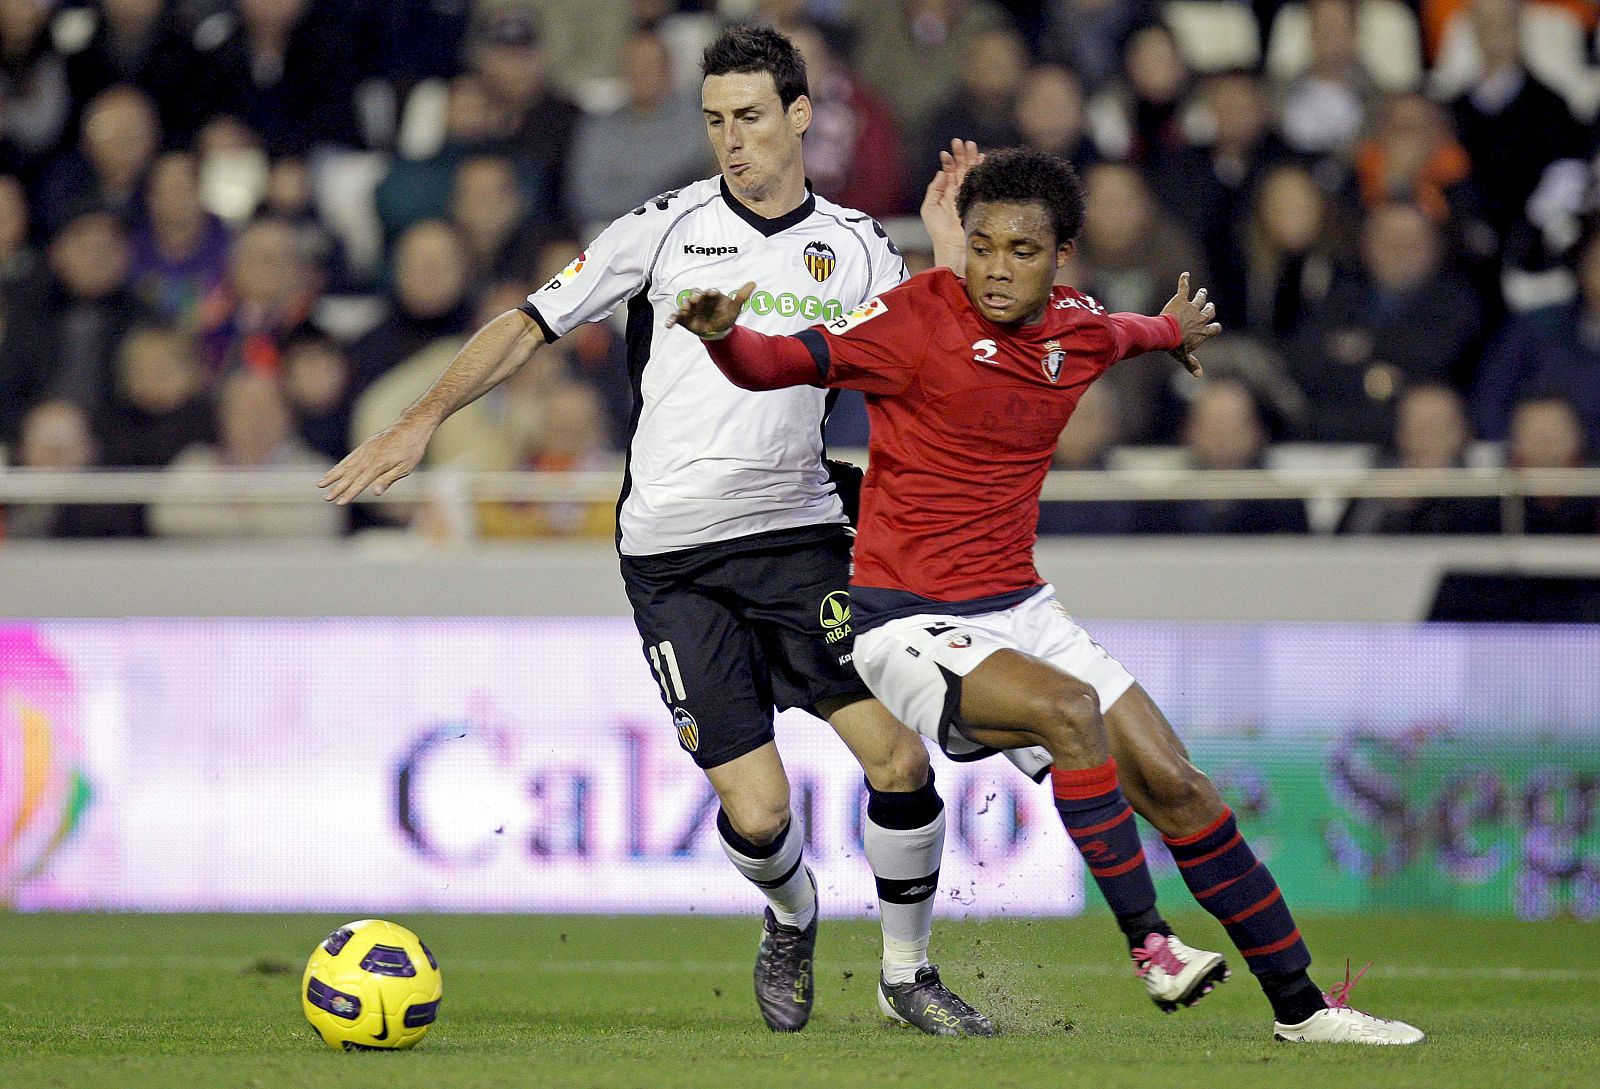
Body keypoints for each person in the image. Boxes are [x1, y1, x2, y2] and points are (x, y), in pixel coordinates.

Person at [319, 25, 995, 1038]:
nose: (732, 140)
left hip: (801, 539)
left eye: (752, 118)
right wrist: (424, 417)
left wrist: (942, 267)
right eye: (716, 119)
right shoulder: (663, 229)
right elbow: (527, 322)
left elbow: (933, 370)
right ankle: (789, 917)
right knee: (762, 815)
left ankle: (908, 977)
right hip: (673, 561)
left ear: (800, 116)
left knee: (898, 761)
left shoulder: (855, 246)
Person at [671, 146, 1425, 1045]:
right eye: (981, 245)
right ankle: (1150, 943)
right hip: (902, 620)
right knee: (1071, 711)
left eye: (1020, 250)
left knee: (1182, 789)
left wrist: (1176, 329)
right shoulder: (913, 319)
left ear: (1062, 254)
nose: (995, 267)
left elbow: (1138, 332)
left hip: (1020, 609)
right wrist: (723, 335)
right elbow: (776, 361)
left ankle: (1304, 1011)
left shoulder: (1081, 327)